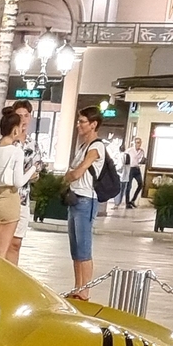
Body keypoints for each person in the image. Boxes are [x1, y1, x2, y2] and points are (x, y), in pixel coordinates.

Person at [61, 106, 108, 290]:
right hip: (74, 199)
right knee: (76, 250)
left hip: (86, 199)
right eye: (78, 121)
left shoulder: (96, 147)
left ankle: (85, 291)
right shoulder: (82, 146)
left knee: (84, 248)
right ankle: (78, 287)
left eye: (82, 122)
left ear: (93, 124)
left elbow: (77, 172)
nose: (78, 125)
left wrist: (70, 175)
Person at [0, 104, 30, 263]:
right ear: (15, 130)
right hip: (8, 200)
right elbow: (18, 183)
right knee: (2, 250)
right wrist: (32, 170)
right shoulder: (16, 151)